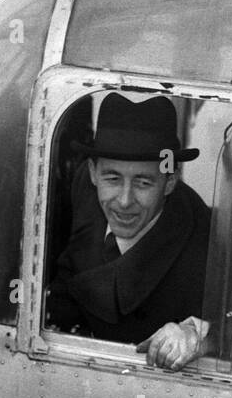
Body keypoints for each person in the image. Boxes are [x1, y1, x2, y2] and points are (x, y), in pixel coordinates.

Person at [46, 93, 211, 371]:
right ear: (92, 173)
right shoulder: (82, 193)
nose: (124, 200)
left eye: (143, 183)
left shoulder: (203, 241)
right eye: (112, 178)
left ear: (170, 182)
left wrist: (195, 335)